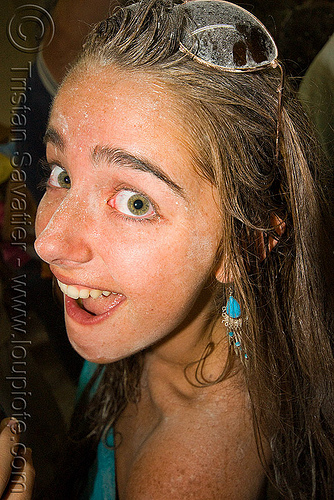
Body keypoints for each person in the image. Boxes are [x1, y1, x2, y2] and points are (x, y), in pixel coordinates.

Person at [34, 0, 334, 498]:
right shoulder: (135, 318)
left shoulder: (184, 480)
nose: (48, 242)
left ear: (243, 243)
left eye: (134, 202)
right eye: (62, 174)